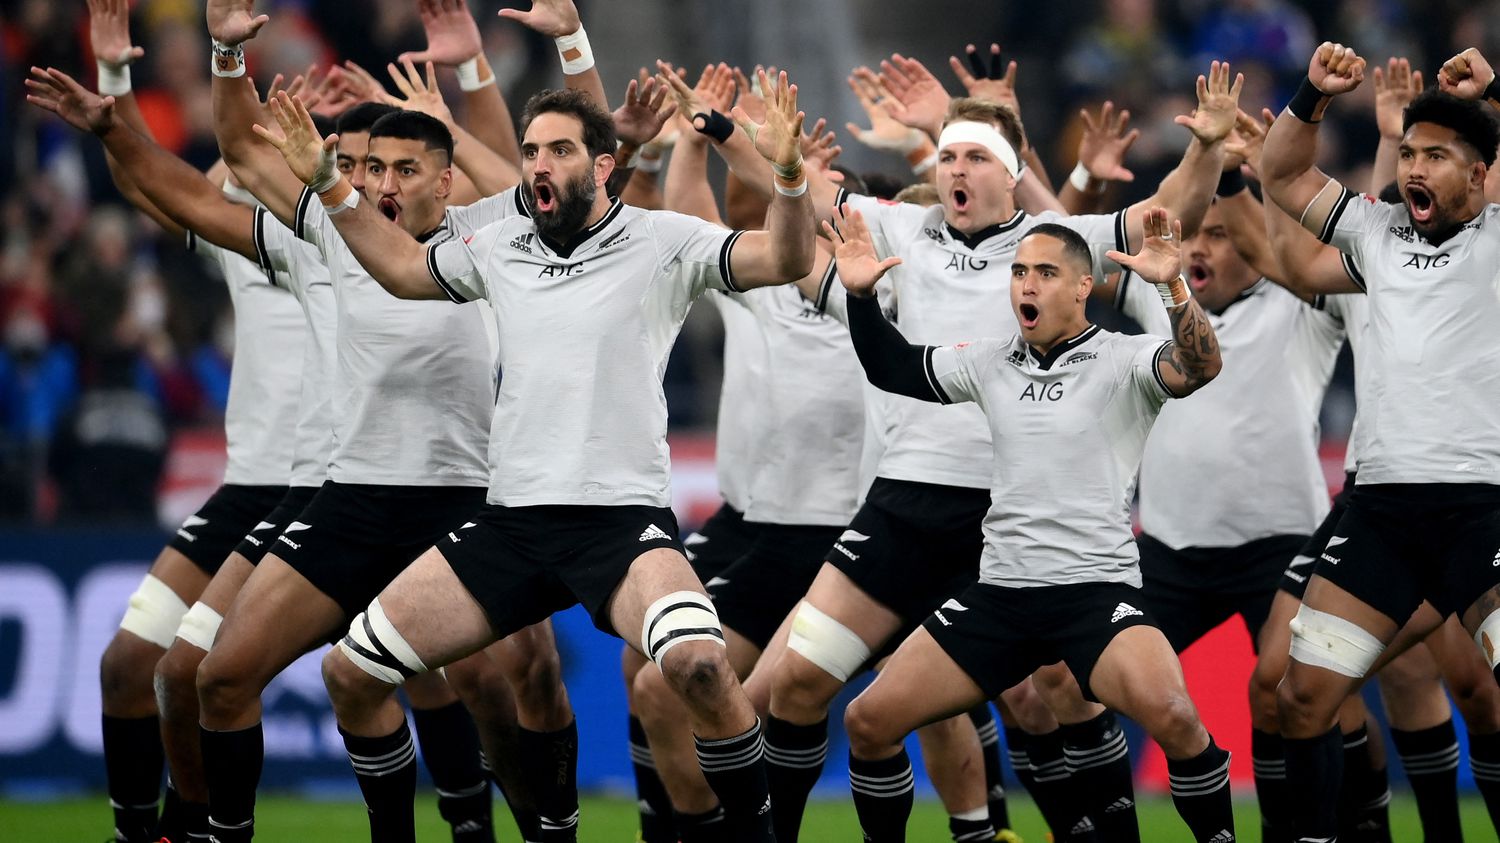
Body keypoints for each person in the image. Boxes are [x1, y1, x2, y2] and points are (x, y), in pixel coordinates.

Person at [255, 62, 813, 840]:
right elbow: (402, 270)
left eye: (559, 150)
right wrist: (329, 185)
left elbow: (784, 260)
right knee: (350, 671)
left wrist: (788, 178)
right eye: (530, 151)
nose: (540, 165)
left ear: (603, 165)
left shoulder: (662, 242)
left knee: (701, 667)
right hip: (510, 525)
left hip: (620, 525)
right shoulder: (498, 243)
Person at [723, 63, 1242, 843]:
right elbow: (796, 209)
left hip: (1009, 518)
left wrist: (1204, 150)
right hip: (904, 505)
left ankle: (1077, 830)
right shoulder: (902, 231)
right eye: (948, 158)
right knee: (802, 682)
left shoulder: (1058, 252)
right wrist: (755, 148)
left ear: (1013, 177)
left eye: (973, 158)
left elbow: (1168, 219)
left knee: (1051, 697)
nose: (954, 169)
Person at [828, 204, 1234, 843]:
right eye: (1018, 271)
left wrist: (1172, 286)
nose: (1026, 283)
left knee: (1178, 717)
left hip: (1095, 593)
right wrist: (860, 297)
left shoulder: (1126, 361)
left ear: (1082, 286)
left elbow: (1201, 366)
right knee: (868, 721)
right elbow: (893, 368)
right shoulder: (988, 360)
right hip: (1003, 596)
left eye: (1045, 272)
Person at [1259, 41, 1500, 842]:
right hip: (1385, 510)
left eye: (1440, 155)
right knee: (1300, 697)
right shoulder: (1375, 232)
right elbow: (1285, 176)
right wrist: (1312, 97)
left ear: (1483, 175)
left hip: (1485, 505)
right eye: (1413, 151)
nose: (1417, 166)